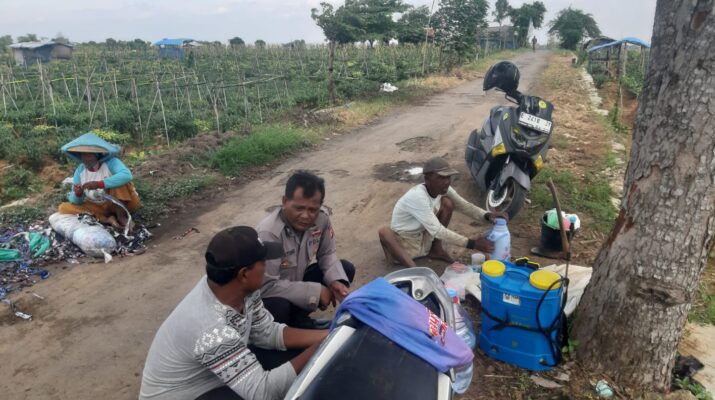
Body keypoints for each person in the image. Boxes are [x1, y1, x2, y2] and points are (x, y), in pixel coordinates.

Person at [139, 226, 327, 400]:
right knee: (298, 373)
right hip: (189, 394)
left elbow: (266, 332)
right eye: (263, 262)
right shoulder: (210, 329)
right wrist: (318, 350)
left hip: (212, 380)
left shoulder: (239, 290)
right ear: (244, 274)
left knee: (295, 358)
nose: (267, 267)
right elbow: (263, 393)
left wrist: (329, 335)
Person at [256, 171, 355, 330]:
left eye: (312, 209)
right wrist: (315, 292)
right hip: (270, 293)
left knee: (344, 269)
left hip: (296, 282)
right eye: (299, 208)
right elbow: (267, 286)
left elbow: (327, 254)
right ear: (284, 201)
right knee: (277, 306)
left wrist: (335, 281)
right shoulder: (269, 233)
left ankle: (299, 320)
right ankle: (284, 333)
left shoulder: (321, 219)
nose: (305, 216)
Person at [378, 157, 505, 267]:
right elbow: (437, 230)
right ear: (427, 178)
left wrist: (487, 215)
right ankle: (414, 268)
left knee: (447, 203)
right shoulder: (417, 196)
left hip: (422, 238)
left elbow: (464, 206)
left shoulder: (444, 189)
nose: (447, 181)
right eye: (441, 177)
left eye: (448, 177)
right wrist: (473, 244)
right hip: (405, 243)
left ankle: (436, 250)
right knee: (384, 232)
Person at [57, 132, 140, 228]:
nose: (85, 158)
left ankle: (122, 217)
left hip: (124, 204)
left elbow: (126, 176)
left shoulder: (111, 162)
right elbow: (74, 201)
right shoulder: (80, 170)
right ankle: (107, 219)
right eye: (83, 155)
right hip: (100, 207)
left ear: (97, 155)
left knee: (121, 184)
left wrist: (99, 184)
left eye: (89, 155)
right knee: (63, 208)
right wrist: (78, 194)